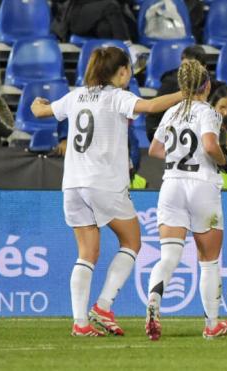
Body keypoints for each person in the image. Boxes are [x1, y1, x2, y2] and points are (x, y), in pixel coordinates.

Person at [30, 46, 184, 336]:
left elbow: (40, 111)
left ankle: (80, 323)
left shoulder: (75, 95)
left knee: (87, 253)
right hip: (104, 183)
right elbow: (150, 107)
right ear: (122, 72)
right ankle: (103, 305)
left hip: (73, 184)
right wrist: (184, 94)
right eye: (126, 70)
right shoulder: (116, 97)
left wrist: (36, 105)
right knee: (132, 241)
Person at [145, 59, 227, 340]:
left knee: (169, 255)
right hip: (201, 185)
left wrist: (176, 157)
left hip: (171, 184)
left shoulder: (171, 112)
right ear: (206, 85)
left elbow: (154, 150)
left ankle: (154, 302)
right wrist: (224, 161)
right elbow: (210, 145)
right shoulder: (206, 112)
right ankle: (211, 324)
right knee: (208, 260)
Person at [146, 45, 227, 141]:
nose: (188, 72)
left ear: (204, 67)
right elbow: (153, 118)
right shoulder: (170, 83)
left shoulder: (216, 87)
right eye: (184, 67)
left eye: (193, 68)